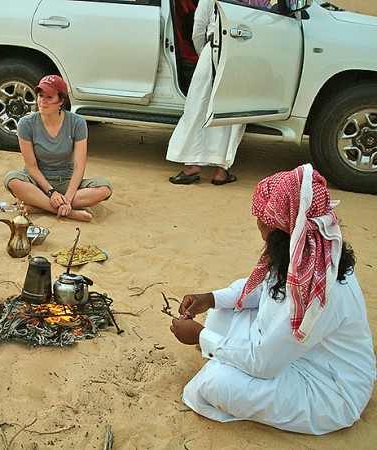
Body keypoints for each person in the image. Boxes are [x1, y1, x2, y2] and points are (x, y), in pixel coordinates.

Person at [169, 164, 375, 434]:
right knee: (222, 311)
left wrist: (201, 337)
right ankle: (226, 356)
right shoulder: (302, 248)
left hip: (326, 387)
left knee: (213, 383)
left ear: (282, 225)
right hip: (287, 352)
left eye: (262, 218)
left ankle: (227, 367)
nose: (257, 224)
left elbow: (263, 363)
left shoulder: (318, 289)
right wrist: (209, 298)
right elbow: (261, 288)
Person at [4, 75, 112, 222]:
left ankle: (40, 206)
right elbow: (31, 166)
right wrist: (51, 192)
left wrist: (67, 199)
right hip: (38, 183)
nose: (43, 101)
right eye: (40, 96)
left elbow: (79, 166)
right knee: (12, 180)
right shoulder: (26, 124)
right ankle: (67, 212)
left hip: (66, 181)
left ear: (61, 101)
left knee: (104, 189)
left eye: (49, 97)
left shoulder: (77, 123)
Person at [166, 0, 245, 185]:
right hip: (241, 52)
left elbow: (198, 30)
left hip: (213, 49)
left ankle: (191, 165)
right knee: (232, 112)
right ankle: (221, 170)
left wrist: (206, 54)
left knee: (198, 108)